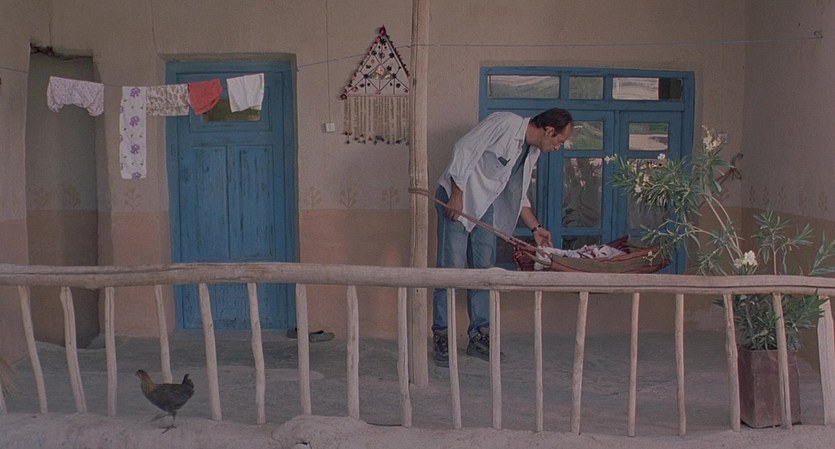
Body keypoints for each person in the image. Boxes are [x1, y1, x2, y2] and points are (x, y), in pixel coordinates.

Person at [432, 108, 574, 367]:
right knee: (450, 271)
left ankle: (479, 336)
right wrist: (457, 195)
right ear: (549, 130)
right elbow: (464, 148)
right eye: (560, 141)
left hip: (485, 206)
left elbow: (518, 194)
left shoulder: (531, 152)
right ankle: (442, 336)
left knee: (484, 271)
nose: (558, 148)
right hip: (457, 199)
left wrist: (535, 228)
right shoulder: (506, 124)